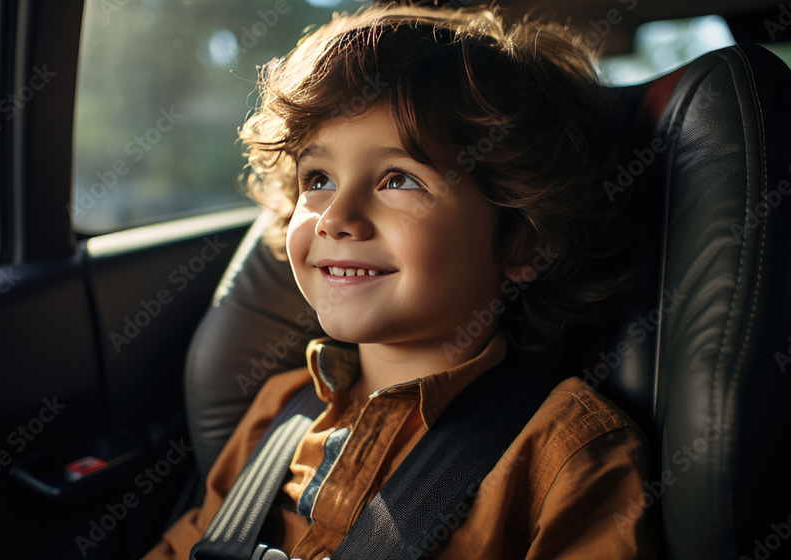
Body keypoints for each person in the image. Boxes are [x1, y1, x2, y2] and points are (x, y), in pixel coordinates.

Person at [144, 4, 654, 559]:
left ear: (519, 240)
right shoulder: (279, 412)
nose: (336, 216)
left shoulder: (566, 456)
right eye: (318, 179)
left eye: (398, 179)